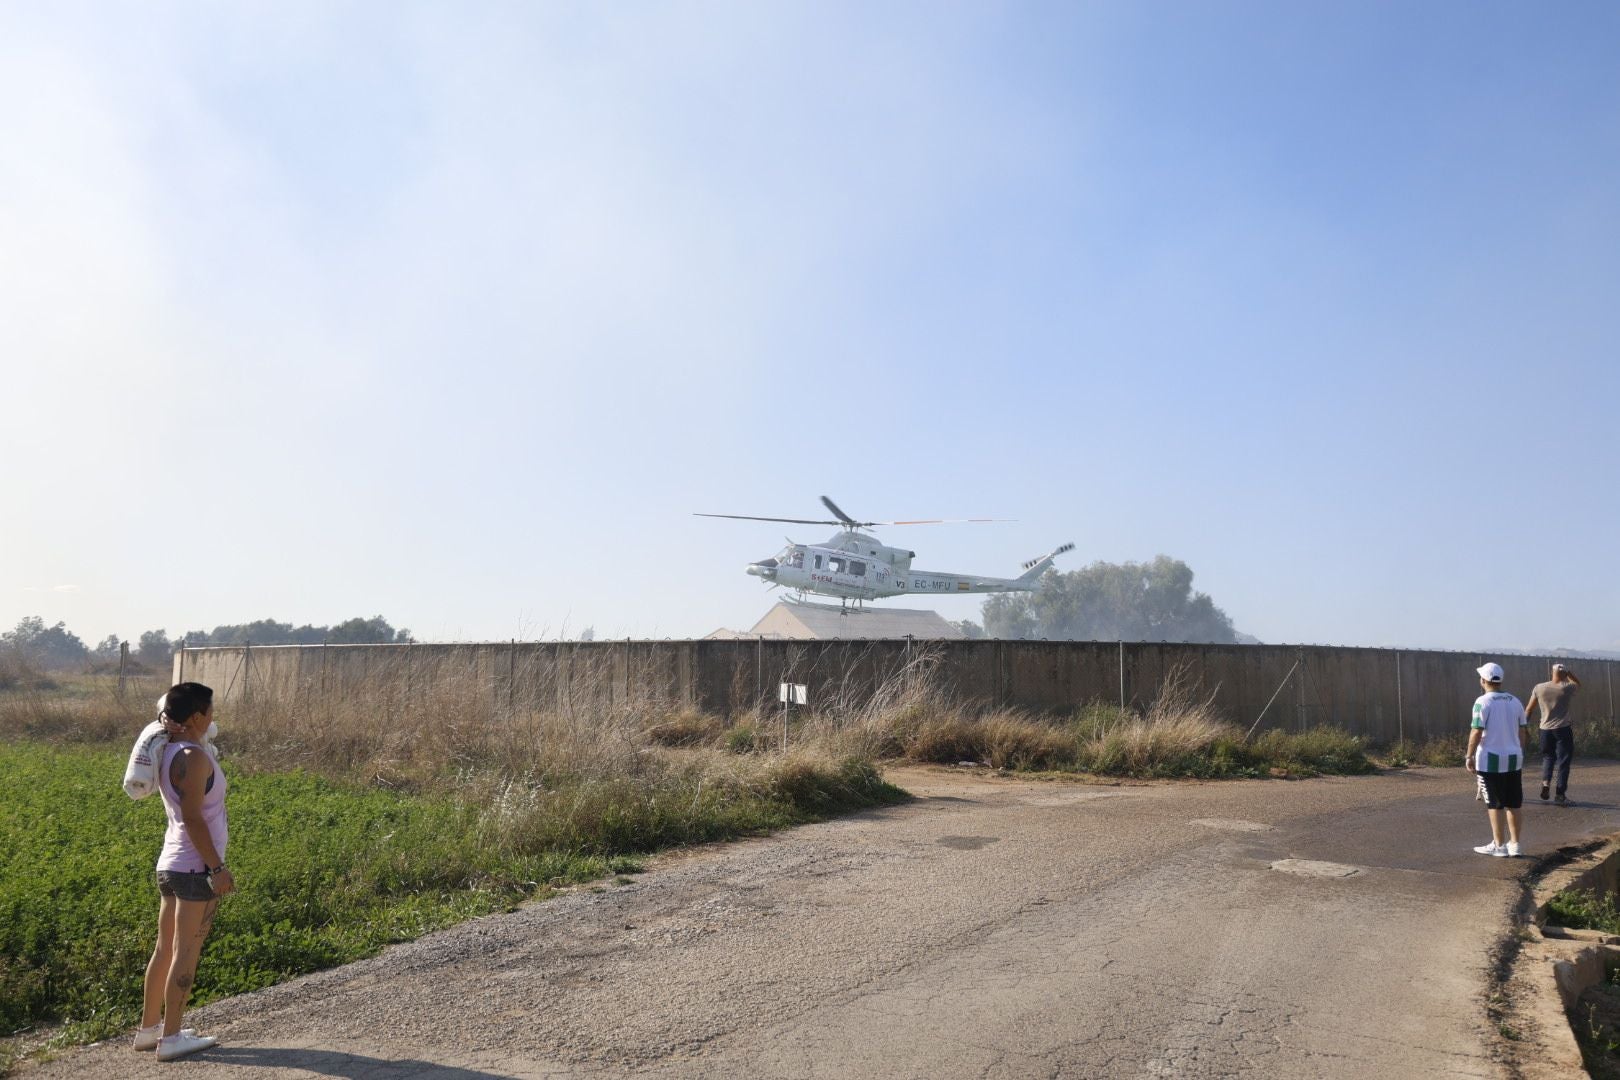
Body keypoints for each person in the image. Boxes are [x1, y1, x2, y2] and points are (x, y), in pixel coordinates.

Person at [132, 682, 235, 1061]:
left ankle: (149, 1030)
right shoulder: (193, 756)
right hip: (195, 868)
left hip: (171, 863)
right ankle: (172, 1037)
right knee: (185, 951)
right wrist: (217, 868)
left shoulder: (171, 748)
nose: (213, 718)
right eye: (209, 712)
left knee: (165, 948)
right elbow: (193, 818)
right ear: (196, 718)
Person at [1467, 662, 1528, 857]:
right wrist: (1520, 751)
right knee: (1514, 803)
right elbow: (1523, 731)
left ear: (1483, 680)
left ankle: (1499, 845)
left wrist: (1469, 755)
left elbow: (1476, 730)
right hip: (1513, 759)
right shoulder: (1515, 701)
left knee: (1494, 804)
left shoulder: (1482, 702)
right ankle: (1515, 844)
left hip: (1490, 760)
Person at [1528, 663, 1582, 805]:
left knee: (1548, 757)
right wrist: (1569, 673)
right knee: (1563, 761)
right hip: (1562, 729)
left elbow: (1528, 709)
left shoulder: (1539, 688)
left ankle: (1545, 783)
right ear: (1564, 674)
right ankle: (1560, 795)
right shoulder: (1566, 687)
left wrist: (1522, 727)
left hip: (1544, 729)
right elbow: (1577, 683)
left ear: (1551, 672)